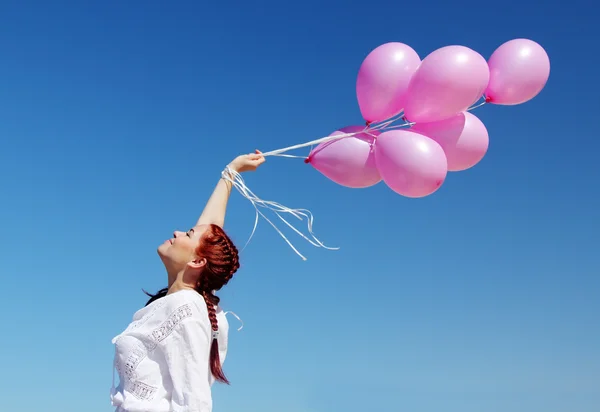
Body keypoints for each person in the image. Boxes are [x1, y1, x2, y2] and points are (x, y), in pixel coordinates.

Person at [110, 151, 266, 412]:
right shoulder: (190, 301)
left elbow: (194, 400)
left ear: (196, 263)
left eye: (188, 233)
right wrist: (231, 172)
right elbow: (208, 229)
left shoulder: (188, 308)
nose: (177, 232)